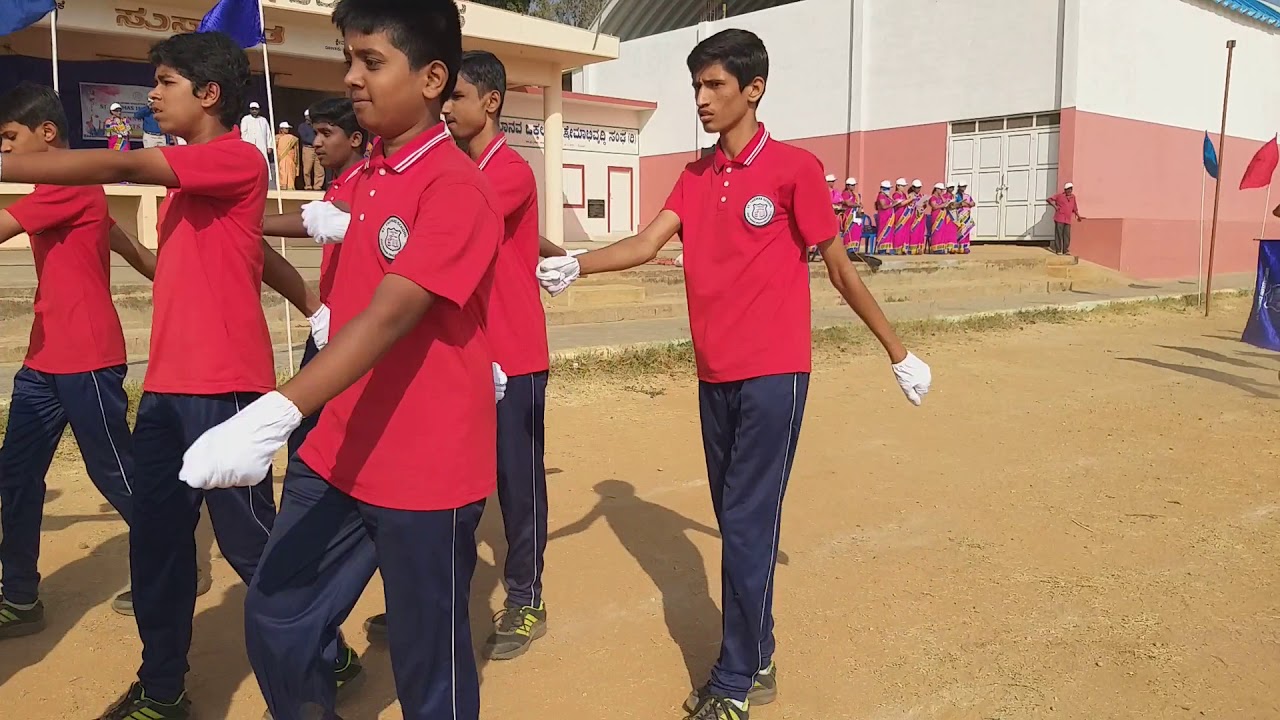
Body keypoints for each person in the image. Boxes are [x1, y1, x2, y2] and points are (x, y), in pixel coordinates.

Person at [535, 28, 931, 720]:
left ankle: (734, 680)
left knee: (746, 524)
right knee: (735, 517)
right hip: (714, 375)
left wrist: (898, 352)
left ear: (754, 89)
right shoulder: (695, 178)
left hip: (774, 376)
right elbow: (646, 243)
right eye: (696, 85)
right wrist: (577, 264)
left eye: (715, 85)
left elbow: (839, 267)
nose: (701, 98)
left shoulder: (794, 170)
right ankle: (761, 650)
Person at [174, 3, 505, 719]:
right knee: (277, 615)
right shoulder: (366, 173)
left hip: (426, 463)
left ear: (432, 79)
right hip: (341, 443)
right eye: (348, 59)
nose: (351, 77)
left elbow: (391, 314)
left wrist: (274, 411)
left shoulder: (456, 187)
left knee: (430, 666)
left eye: (371, 62)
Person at [0, 31, 330, 719]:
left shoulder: (234, 157)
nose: (151, 95)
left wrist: (313, 304)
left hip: (226, 388)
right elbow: (246, 250)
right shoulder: (192, 182)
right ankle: (162, 689)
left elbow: (123, 165)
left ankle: (327, 650)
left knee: (250, 545)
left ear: (208, 94)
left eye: (164, 82)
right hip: (166, 390)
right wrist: (309, 298)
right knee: (156, 544)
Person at [0, 82, 186, 637]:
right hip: (44, 358)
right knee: (16, 475)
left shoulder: (68, 186)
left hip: (86, 357)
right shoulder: (74, 194)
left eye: (9, 138)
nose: (5, 151)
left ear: (46, 133)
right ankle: (19, 596)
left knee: (116, 473)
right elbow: (133, 250)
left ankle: (177, 566)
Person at [1047, 181, 1084, 255]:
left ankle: (1065, 250)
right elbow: (1049, 200)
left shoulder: (1073, 197)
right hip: (1059, 218)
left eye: (1071, 189)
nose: (1069, 191)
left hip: (1067, 219)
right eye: (1068, 189)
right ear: (1065, 190)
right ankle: (1058, 250)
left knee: (1067, 235)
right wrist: (1055, 207)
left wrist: (1078, 216)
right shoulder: (1059, 196)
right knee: (1059, 234)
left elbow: (1074, 208)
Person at [240, 100, 272, 182]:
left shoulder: (263, 120)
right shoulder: (245, 119)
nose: (254, 111)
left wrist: (269, 146)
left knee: (263, 159)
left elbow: (268, 133)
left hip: (261, 144)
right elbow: (243, 133)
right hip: (249, 144)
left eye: (256, 109)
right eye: (252, 109)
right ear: (250, 110)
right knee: (249, 161)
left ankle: (264, 177)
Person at [927, 182, 957, 253]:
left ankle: (941, 247)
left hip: (942, 216)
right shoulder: (932, 198)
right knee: (937, 231)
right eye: (940, 190)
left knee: (942, 231)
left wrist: (941, 196)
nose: (942, 191)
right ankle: (936, 248)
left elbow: (945, 202)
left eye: (942, 190)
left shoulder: (940, 197)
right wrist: (943, 205)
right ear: (936, 189)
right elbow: (934, 206)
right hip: (936, 216)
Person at [297, 109, 322, 191]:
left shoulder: (316, 126)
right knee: (307, 169)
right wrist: (314, 142)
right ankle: (308, 185)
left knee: (319, 168)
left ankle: (318, 186)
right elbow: (304, 137)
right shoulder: (302, 126)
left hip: (318, 148)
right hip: (308, 148)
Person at [904, 179, 927, 255]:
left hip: (921, 216)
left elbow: (925, 206)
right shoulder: (910, 195)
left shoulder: (921, 195)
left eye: (919, 187)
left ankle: (919, 248)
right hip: (914, 216)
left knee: (920, 232)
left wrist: (924, 203)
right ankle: (912, 249)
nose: (918, 189)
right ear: (913, 187)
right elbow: (908, 206)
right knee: (914, 232)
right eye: (916, 187)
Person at [275, 122, 299, 191]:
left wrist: (295, 158)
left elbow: (296, 149)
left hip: (290, 157)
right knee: (282, 171)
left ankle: (290, 186)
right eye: (286, 128)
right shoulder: (277, 137)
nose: (287, 130)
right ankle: (283, 186)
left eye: (288, 128)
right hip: (281, 157)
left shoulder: (292, 138)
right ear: (281, 129)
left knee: (290, 172)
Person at [888, 177, 909, 254]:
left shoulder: (904, 194)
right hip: (899, 214)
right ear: (898, 186)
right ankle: (897, 247)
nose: (903, 188)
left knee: (904, 231)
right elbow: (899, 204)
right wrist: (909, 200)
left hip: (905, 214)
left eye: (904, 186)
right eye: (902, 186)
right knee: (899, 230)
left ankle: (903, 247)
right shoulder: (896, 194)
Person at [954, 181, 975, 253]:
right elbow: (955, 204)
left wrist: (969, 204)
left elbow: (973, 203)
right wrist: (962, 204)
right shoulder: (956, 196)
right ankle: (960, 246)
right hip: (960, 215)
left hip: (967, 215)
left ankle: (966, 246)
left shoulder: (967, 196)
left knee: (967, 231)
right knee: (961, 230)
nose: (963, 188)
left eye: (964, 186)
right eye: (962, 186)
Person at [873, 180, 893, 255]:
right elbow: (883, 206)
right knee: (883, 231)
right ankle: (881, 249)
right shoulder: (881, 196)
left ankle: (886, 249)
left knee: (888, 233)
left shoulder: (886, 196)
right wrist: (892, 205)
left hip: (889, 217)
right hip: (883, 217)